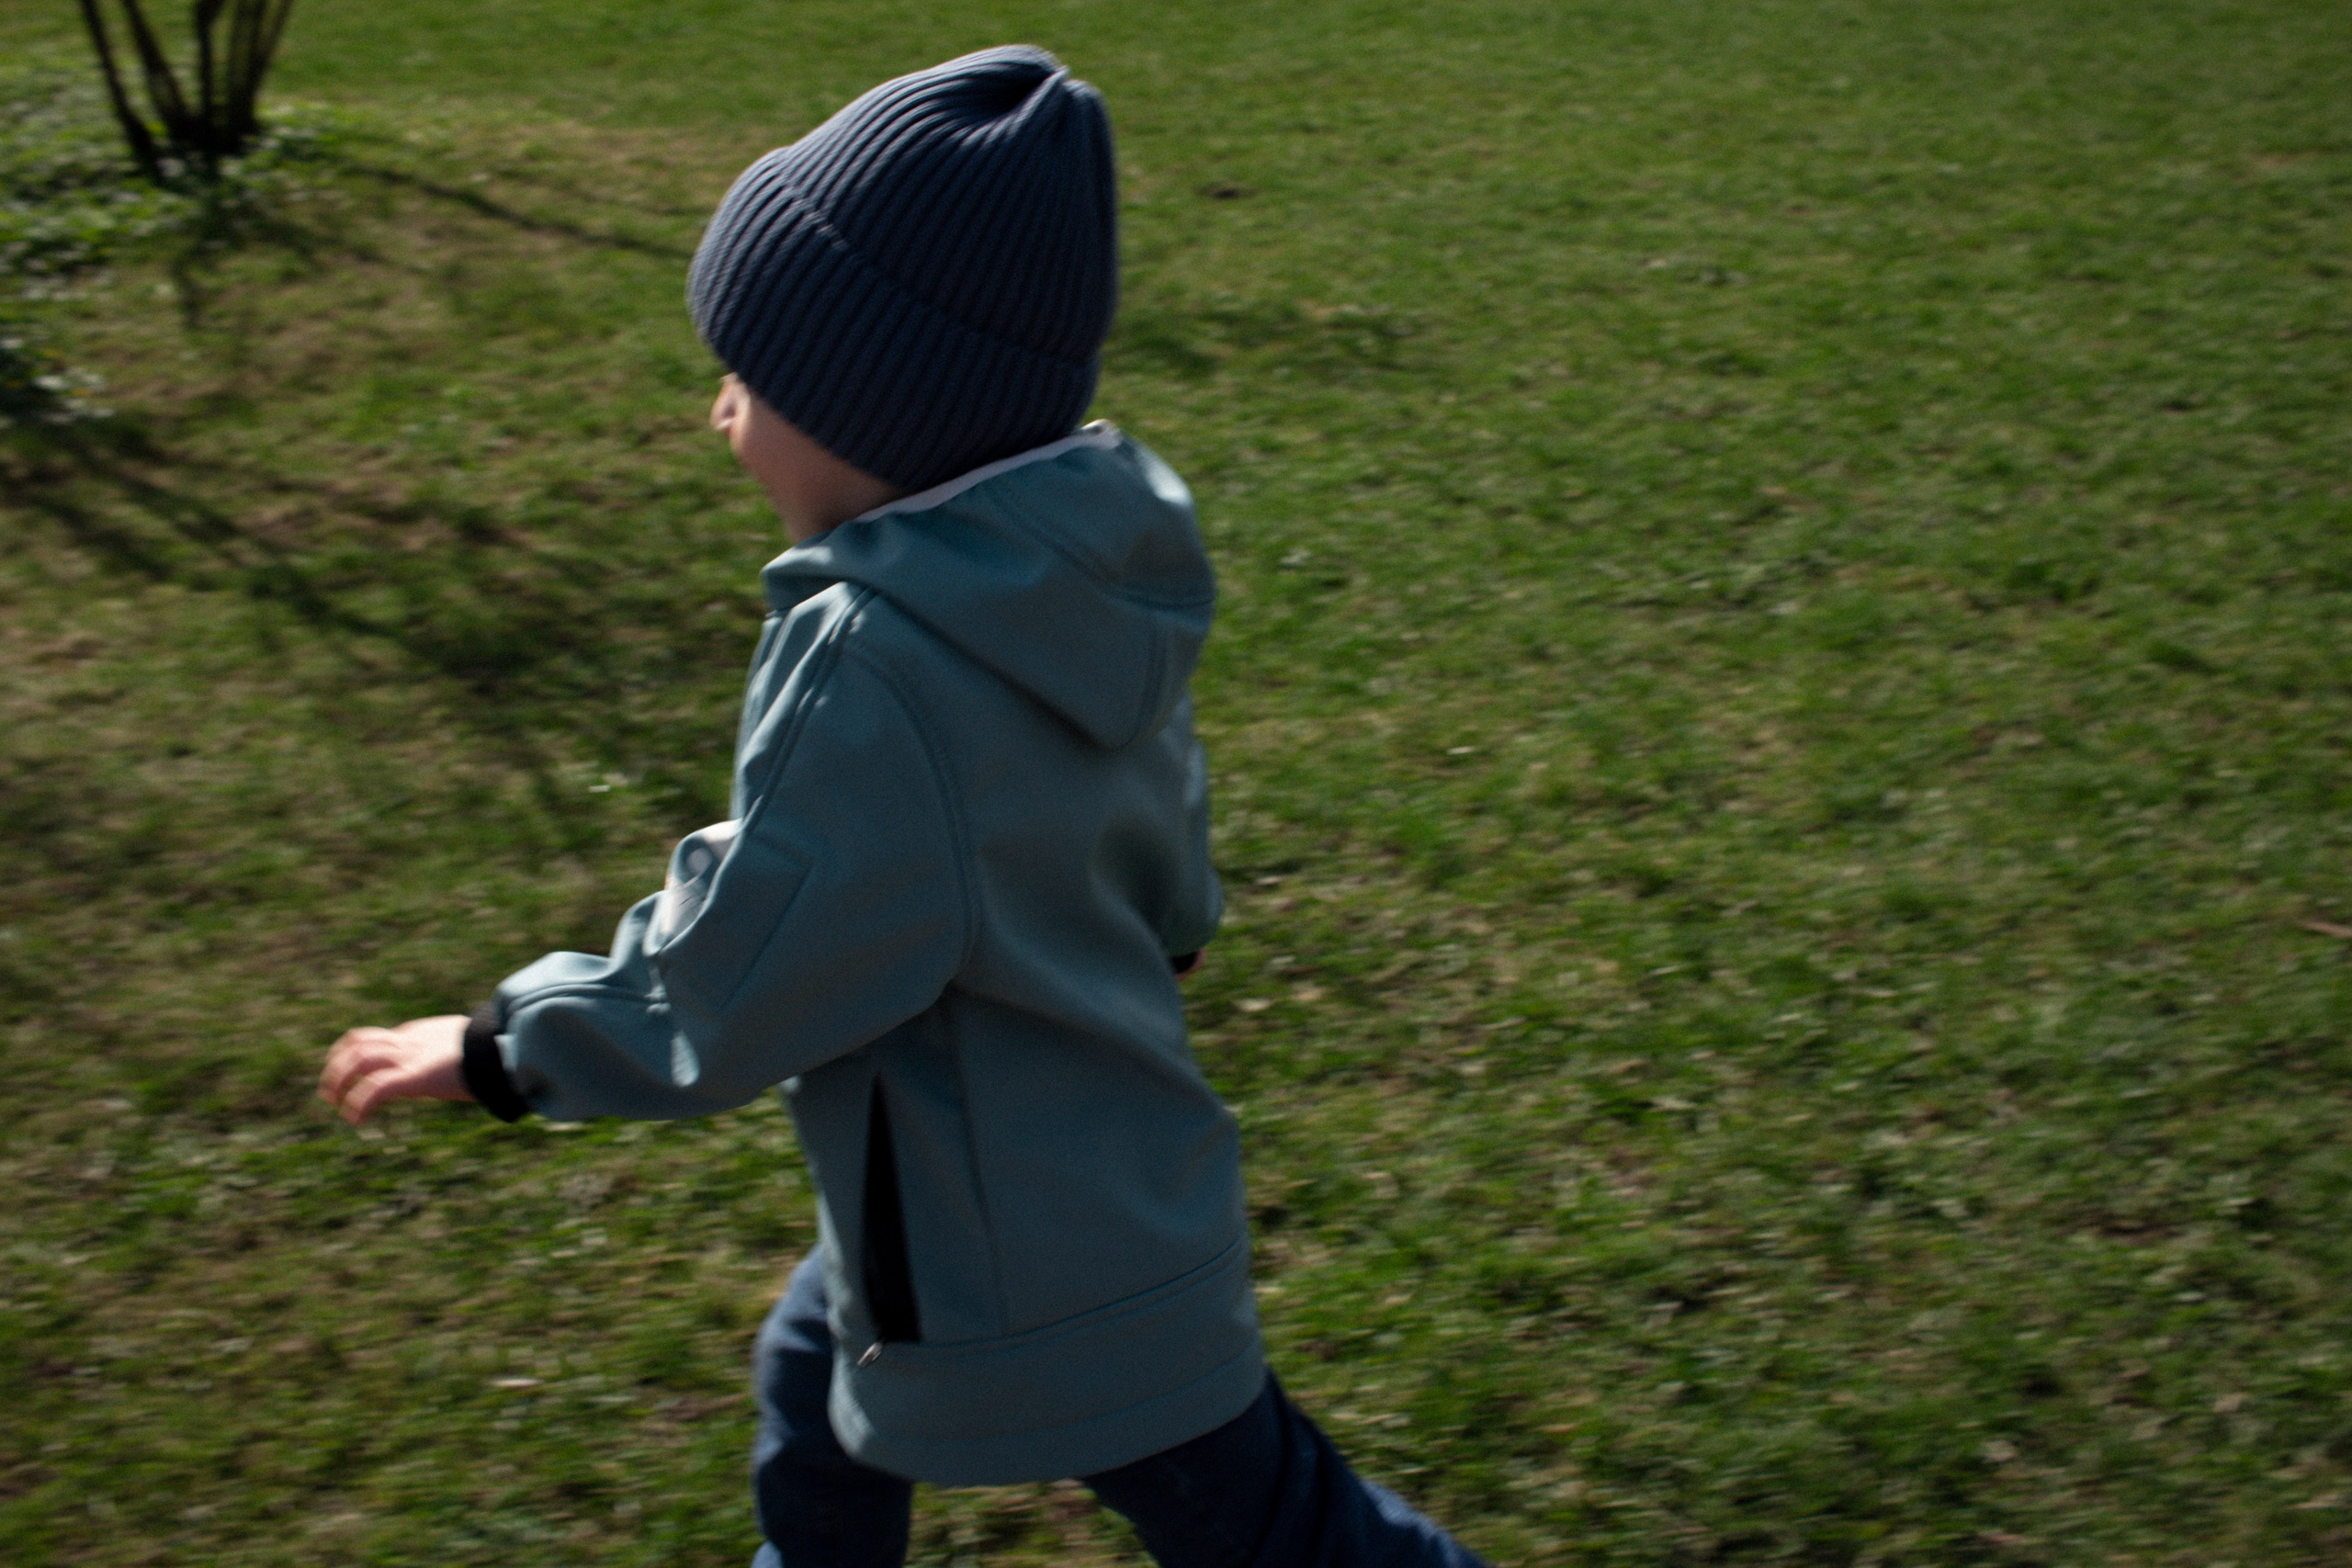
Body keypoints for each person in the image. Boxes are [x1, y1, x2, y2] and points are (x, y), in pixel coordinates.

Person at [317, 45, 1489, 1568]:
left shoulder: (874, 662)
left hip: (1021, 1262)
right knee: (814, 1381)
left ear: (875, 415)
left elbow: (742, 959)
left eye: (753, 381)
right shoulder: (1076, 567)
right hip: (1083, 1175)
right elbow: (1161, 824)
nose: (720, 413)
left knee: (1277, 1531)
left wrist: (498, 1048)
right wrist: (1163, 932)